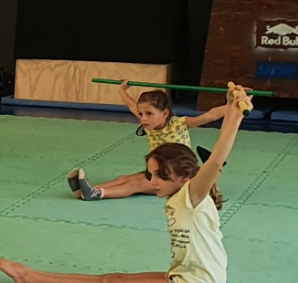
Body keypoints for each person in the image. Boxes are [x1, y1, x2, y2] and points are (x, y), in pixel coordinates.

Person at [0, 82, 252, 283]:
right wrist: (231, 105)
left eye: (160, 176)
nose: (153, 182)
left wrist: (236, 116)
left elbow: (216, 160)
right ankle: (33, 277)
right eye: (151, 174)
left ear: (185, 177)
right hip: (187, 278)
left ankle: (30, 278)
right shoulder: (183, 193)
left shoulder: (192, 195)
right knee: (115, 279)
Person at [68, 84, 232, 200]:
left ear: (164, 114)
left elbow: (210, 115)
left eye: (149, 114)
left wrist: (233, 105)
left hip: (173, 177)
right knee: (123, 178)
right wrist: (121, 90)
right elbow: (131, 105)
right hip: (157, 172)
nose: (143, 118)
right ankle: (88, 190)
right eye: (141, 114)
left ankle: (97, 193)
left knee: (135, 184)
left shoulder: (179, 124)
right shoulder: (149, 124)